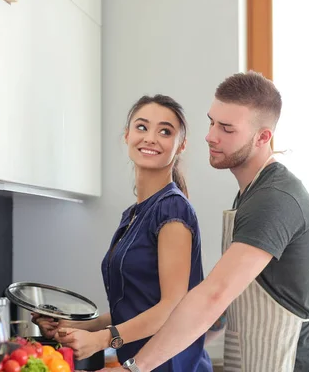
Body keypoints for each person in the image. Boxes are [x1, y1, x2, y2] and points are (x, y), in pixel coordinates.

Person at [100, 71, 309, 372]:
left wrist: (134, 367)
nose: (210, 136)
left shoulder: (274, 200)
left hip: (296, 362)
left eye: (226, 128)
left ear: (262, 137)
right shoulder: (250, 194)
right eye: (212, 121)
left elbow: (214, 295)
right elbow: (226, 309)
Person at [34, 95, 213, 371]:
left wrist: (102, 340)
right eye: (142, 127)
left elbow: (171, 307)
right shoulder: (133, 215)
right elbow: (135, 305)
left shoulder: (172, 208)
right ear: (127, 135)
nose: (150, 138)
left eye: (165, 131)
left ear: (181, 145)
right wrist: (76, 326)